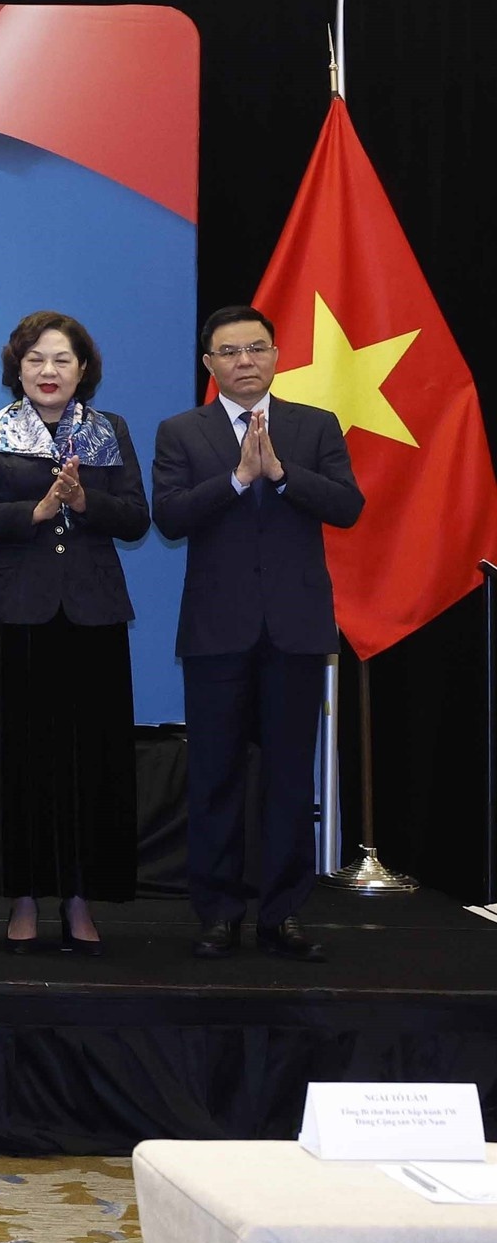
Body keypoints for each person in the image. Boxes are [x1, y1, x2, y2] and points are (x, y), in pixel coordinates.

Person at [153, 304, 364, 964]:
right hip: (216, 630)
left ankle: (283, 914)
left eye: (256, 348)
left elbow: (348, 506)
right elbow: (170, 517)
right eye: (230, 351)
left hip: (295, 630)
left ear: (276, 355)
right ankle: (218, 914)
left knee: (289, 780)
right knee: (214, 777)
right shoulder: (181, 432)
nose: (244, 361)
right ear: (209, 364)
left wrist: (281, 474)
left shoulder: (313, 425)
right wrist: (238, 478)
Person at [0, 312, 148, 955]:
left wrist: (86, 502)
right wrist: (33, 512)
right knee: (20, 760)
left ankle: (80, 898)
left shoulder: (109, 429)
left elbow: (137, 517)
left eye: (62, 359)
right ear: (17, 368)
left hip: (91, 615)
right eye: (35, 359)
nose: (48, 371)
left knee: (89, 762)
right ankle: (23, 897)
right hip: (14, 614)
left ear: (83, 370)